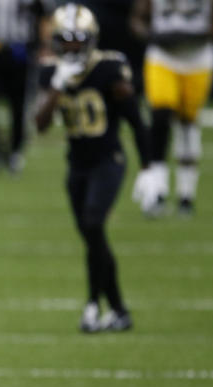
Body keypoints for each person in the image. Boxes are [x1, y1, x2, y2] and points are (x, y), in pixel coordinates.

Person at [35, 3, 157, 333]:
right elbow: (40, 124)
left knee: (92, 225)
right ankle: (115, 310)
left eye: (79, 39)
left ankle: (94, 305)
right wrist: (57, 87)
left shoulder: (110, 68)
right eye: (66, 39)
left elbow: (135, 118)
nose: (72, 46)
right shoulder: (51, 72)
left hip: (108, 160)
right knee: (93, 237)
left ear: (91, 39)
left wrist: (150, 168)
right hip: (76, 167)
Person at [129, 0, 213, 216]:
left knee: (188, 122)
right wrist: (152, 34)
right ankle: (157, 190)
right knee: (159, 117)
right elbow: (137, 20)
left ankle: (186, 194)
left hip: (198, 59)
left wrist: (195, 35)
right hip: (163, 57)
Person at [0, 0, 53, 175]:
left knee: (17, 106)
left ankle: (15, 152)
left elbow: (43, 16)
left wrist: (42, 46)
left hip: (19, 53)